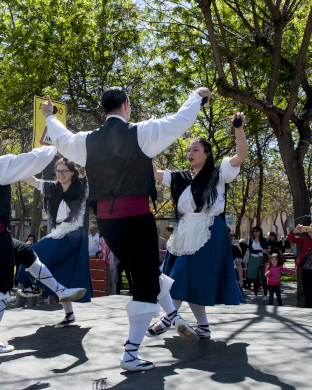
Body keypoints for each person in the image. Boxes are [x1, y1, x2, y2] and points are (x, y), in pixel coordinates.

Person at [44, 86, 209, 371]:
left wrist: (50, 116)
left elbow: (62, 138)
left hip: (108, 224)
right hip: (135, 217)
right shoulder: (141, 132)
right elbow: (181, 121)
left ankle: (173, 316)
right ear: (126, 105)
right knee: (144, 282)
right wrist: (196, 96)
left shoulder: (86, 141)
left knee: (145, 272)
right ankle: (131, 353)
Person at [0, 128, 86, 354]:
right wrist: (57, 147)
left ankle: (60, 289)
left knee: (25, 252)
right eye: (2, 144)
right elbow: (33, 159)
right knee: (0, 286)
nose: (3, 148)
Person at [148, 109, 247, 341]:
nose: (190, 153)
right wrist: (147, 141)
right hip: (184, 231)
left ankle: (167, 318)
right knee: (183, 278)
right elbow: (152, 172)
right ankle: (202, 326)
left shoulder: (219, 173)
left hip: (209, 231)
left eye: (196, 149)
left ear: (207, 154)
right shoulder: (181, 177)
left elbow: (240, 156)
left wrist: (238, 128)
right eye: (189, 150)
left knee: (181, 276)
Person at [17, 158, 93, 326]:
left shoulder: (83, 186)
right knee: (57, 275)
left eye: (64, 171)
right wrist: (20, 164)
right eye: (58, 171)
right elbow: (33, 181)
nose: (60, 174)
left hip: (73, 235)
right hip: (60, 233)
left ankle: (32, 285)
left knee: (30, 253)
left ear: (72, 172)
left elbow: (97, 171)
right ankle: (69, 314)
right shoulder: (52, 188)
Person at [247, 227, 270, 299]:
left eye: (257, 231)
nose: (255, 233)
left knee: (263, 277)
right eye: (254, 231)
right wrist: (260, 251)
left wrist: (266, 261)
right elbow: (251, 250)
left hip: (262, 259)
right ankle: (255, 294)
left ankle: (265, 295)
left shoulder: (263, 240)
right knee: (255, 277)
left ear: (260, 232)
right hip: (253, 259)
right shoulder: (251, 240)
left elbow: (265, 251)